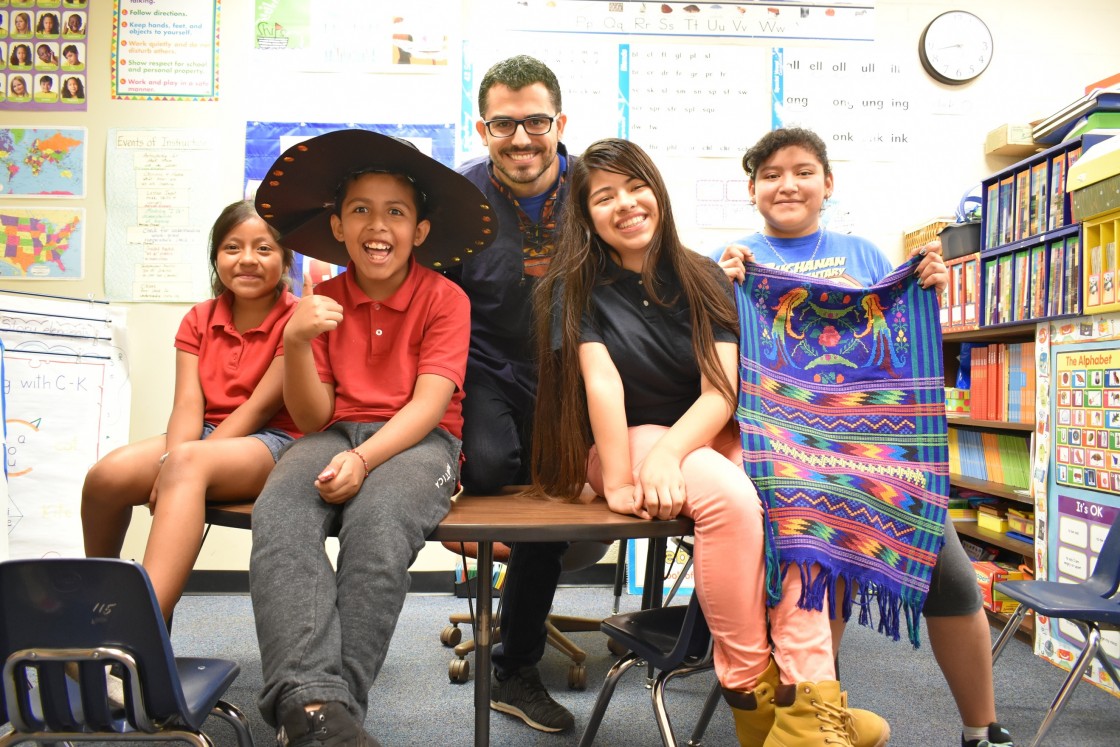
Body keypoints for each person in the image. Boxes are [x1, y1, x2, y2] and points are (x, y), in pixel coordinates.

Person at [532, 137, 888, 747]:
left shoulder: (705, 274)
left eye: (636, 186)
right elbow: (602, 383)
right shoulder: (576, 286)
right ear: (585, 215)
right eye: (604, 197)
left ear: (658, 192)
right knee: (729, 496)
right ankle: (750, 693)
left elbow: (721, 389)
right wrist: (618, 479)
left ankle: (807, 703)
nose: (625, 204)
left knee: (797, 489)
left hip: (702, 431)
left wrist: (674, 452)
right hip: (624, 440)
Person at [714, 127, 1013, 747]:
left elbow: (902, 347)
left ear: (828, 183)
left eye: (802, 171)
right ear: (751, 190)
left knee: (951, 575)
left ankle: (981, 730)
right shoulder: (734, 260)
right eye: (770, 174)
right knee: (820, 571)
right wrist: (722, 289)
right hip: (788, 454)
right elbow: (720, 364)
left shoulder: (868, 255)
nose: (787, 184)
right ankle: (822, 716)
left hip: (877, 451)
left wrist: (926, 293)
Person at [248, 129, 496, 747]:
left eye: (395, 212)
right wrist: (296, 340)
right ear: (337, 226)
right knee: (279, 512)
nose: (377, 225)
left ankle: (328, 712)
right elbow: (311, 419)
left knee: (379, 525)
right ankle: (318, 711)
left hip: (424, 440)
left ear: (420, 231)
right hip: (334, 432)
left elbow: (430, 404)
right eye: (360, 209)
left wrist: (363, 460)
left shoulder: (446, 298)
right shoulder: (322, 300)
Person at [81, 200, 299, 622]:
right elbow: (186, 404)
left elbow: (257, 409)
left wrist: (179, 463)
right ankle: (101, 596)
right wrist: (171, 459)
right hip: (205, 435)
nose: (248, 260)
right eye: (233, 248)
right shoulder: (199, 318)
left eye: (264, 248)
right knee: (106, 478)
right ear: (216, 257)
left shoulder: (296, 319)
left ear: (285, 259)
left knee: (186, 463)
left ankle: (137, 629)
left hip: (273, 442)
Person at [448, 55, 580, 733]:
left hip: (573, 370)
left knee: (553, 508)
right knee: (495, 470)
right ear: (483, 127)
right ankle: (507, 610)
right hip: (486, 365)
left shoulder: (597, 188)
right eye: (505, 124)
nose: (522, 138)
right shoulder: (457, 198)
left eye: (535, 121)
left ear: (560, 122)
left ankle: (516, 666)